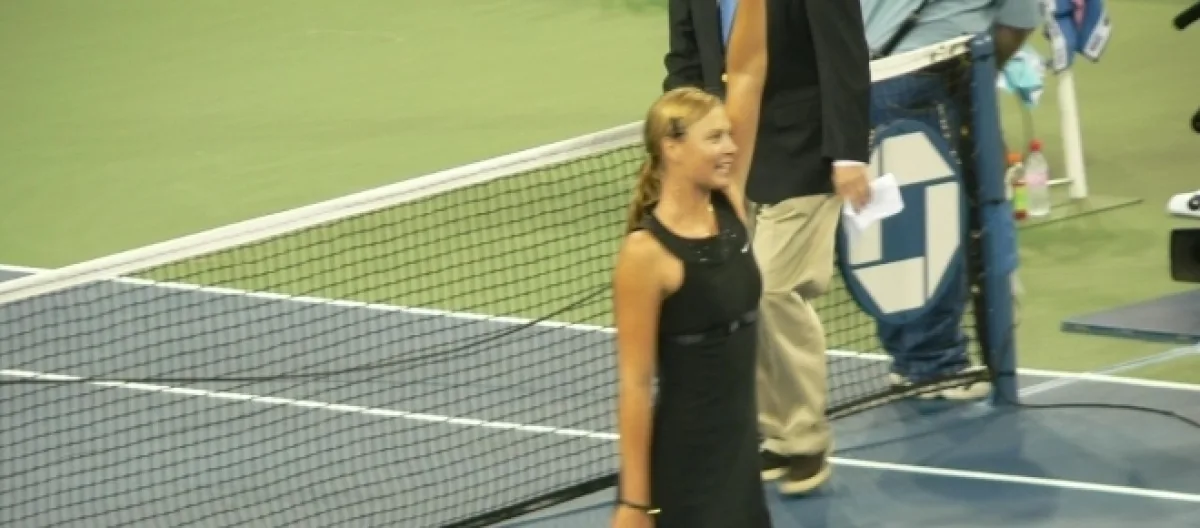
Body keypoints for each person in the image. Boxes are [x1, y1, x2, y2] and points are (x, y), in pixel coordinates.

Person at [663, 0, 872, 495]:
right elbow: (685, 62)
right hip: (726, 158)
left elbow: (843, 56)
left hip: (804, 148)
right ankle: (775, 434)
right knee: (738, 293)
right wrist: (679, 148)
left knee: (774, 288)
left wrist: (848, 154)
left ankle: (805, 437)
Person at [610, 0, 770, 526]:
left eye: (728, 135)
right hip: (686, 471)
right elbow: (635, 386)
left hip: (741, 461)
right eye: (714, 138)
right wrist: (634, 503)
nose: (731, 148)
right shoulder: (645, 256)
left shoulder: (730, 205)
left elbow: (747, 71)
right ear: (672, 148)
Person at [861, 0, 1038, 399]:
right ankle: (934, 366)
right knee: (938, 222)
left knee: (898, 223)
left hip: (869, 79)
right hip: (931, 81)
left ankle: (911, 359)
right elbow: (1015, 26)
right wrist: (981, 76)